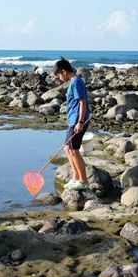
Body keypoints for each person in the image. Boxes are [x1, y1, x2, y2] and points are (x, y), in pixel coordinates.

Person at [53, 57, 91, 191]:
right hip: (73, 120)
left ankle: (84, 181)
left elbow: (82, 102)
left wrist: (80, 122)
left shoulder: (76, 82)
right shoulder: (74, 81)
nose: (58, 78)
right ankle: (75, 177)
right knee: (66, 148)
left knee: (74, 150)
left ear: (63, 71)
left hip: (78, 120)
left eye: (58, 74)